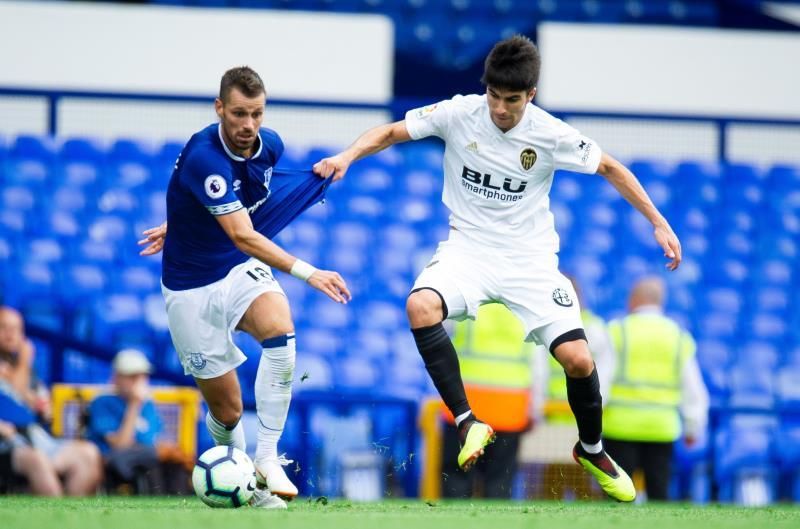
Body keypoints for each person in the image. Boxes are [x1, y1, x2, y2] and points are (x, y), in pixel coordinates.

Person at [314, 35, 682, 502]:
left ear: (530, 95)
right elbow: (388, 133)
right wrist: (347, 156)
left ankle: (591, 449)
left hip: (529, 261)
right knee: (420, 306)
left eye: (512, 100)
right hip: (468, 249)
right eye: (494, 96)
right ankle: (469, 422)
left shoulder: (550, 133)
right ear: (484, 87)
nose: (501, 109)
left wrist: (658, 222)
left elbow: (611, 167)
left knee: (579, 359)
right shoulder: (458, 112)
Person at [138, 66, 351, 509]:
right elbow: (241, 231)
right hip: (190, 288)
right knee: (228, 410)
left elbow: (252, 201)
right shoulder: (204, 157)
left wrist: (179, 220)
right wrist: (310, 272)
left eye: (256, 113)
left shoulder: (269, 146)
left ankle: (268, 458)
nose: (248, 125)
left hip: (236, 267)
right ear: (220, 108)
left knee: (280, 327)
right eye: (238, 113)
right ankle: (243, 486)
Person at [600, 276, 708, 501]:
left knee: (616, 497)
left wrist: (591, 420)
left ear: (634, 299)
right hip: (662, 428)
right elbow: (693, 388)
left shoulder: (618, 331)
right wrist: (692, 427)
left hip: (621, 427)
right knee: (659, 496)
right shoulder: (678, 336)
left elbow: (601, 381)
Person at [440, 303, 535, 499]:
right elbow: (538, 368)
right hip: (509, 411)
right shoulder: (527, 312)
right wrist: (535, 410)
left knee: (457, 481)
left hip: (464, 411)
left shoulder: (465, 305)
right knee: (499, 482)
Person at [0, 353, 103, 495]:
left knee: (88, 453)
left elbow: (46, 415)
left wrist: (43, 409)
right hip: (8, 446)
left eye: (8, 365)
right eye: (1, 364)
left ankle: (74, 514)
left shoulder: (28, 386)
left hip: (37, 438)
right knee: (37, 459)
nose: (5, 369)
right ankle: (55, 512)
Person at [87, 349, 187, 493]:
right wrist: (134, 404)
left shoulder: (147, 405)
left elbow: (149, 441)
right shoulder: (102, 402)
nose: (139, 382)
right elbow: (121, 445)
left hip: (145, 460)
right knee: (154, 456)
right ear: (116, 378)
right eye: (132, 377)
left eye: (142, 376)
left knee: (174, 463)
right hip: (113, 462)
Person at [0, 307, 51, 423]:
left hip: (28, 428)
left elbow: (40, 399)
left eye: (15, 329)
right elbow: (14, 400)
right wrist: (24, 361)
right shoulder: (24, 360)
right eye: (3, 327)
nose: (10, 334)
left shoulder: (25, 365)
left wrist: (42, 406)